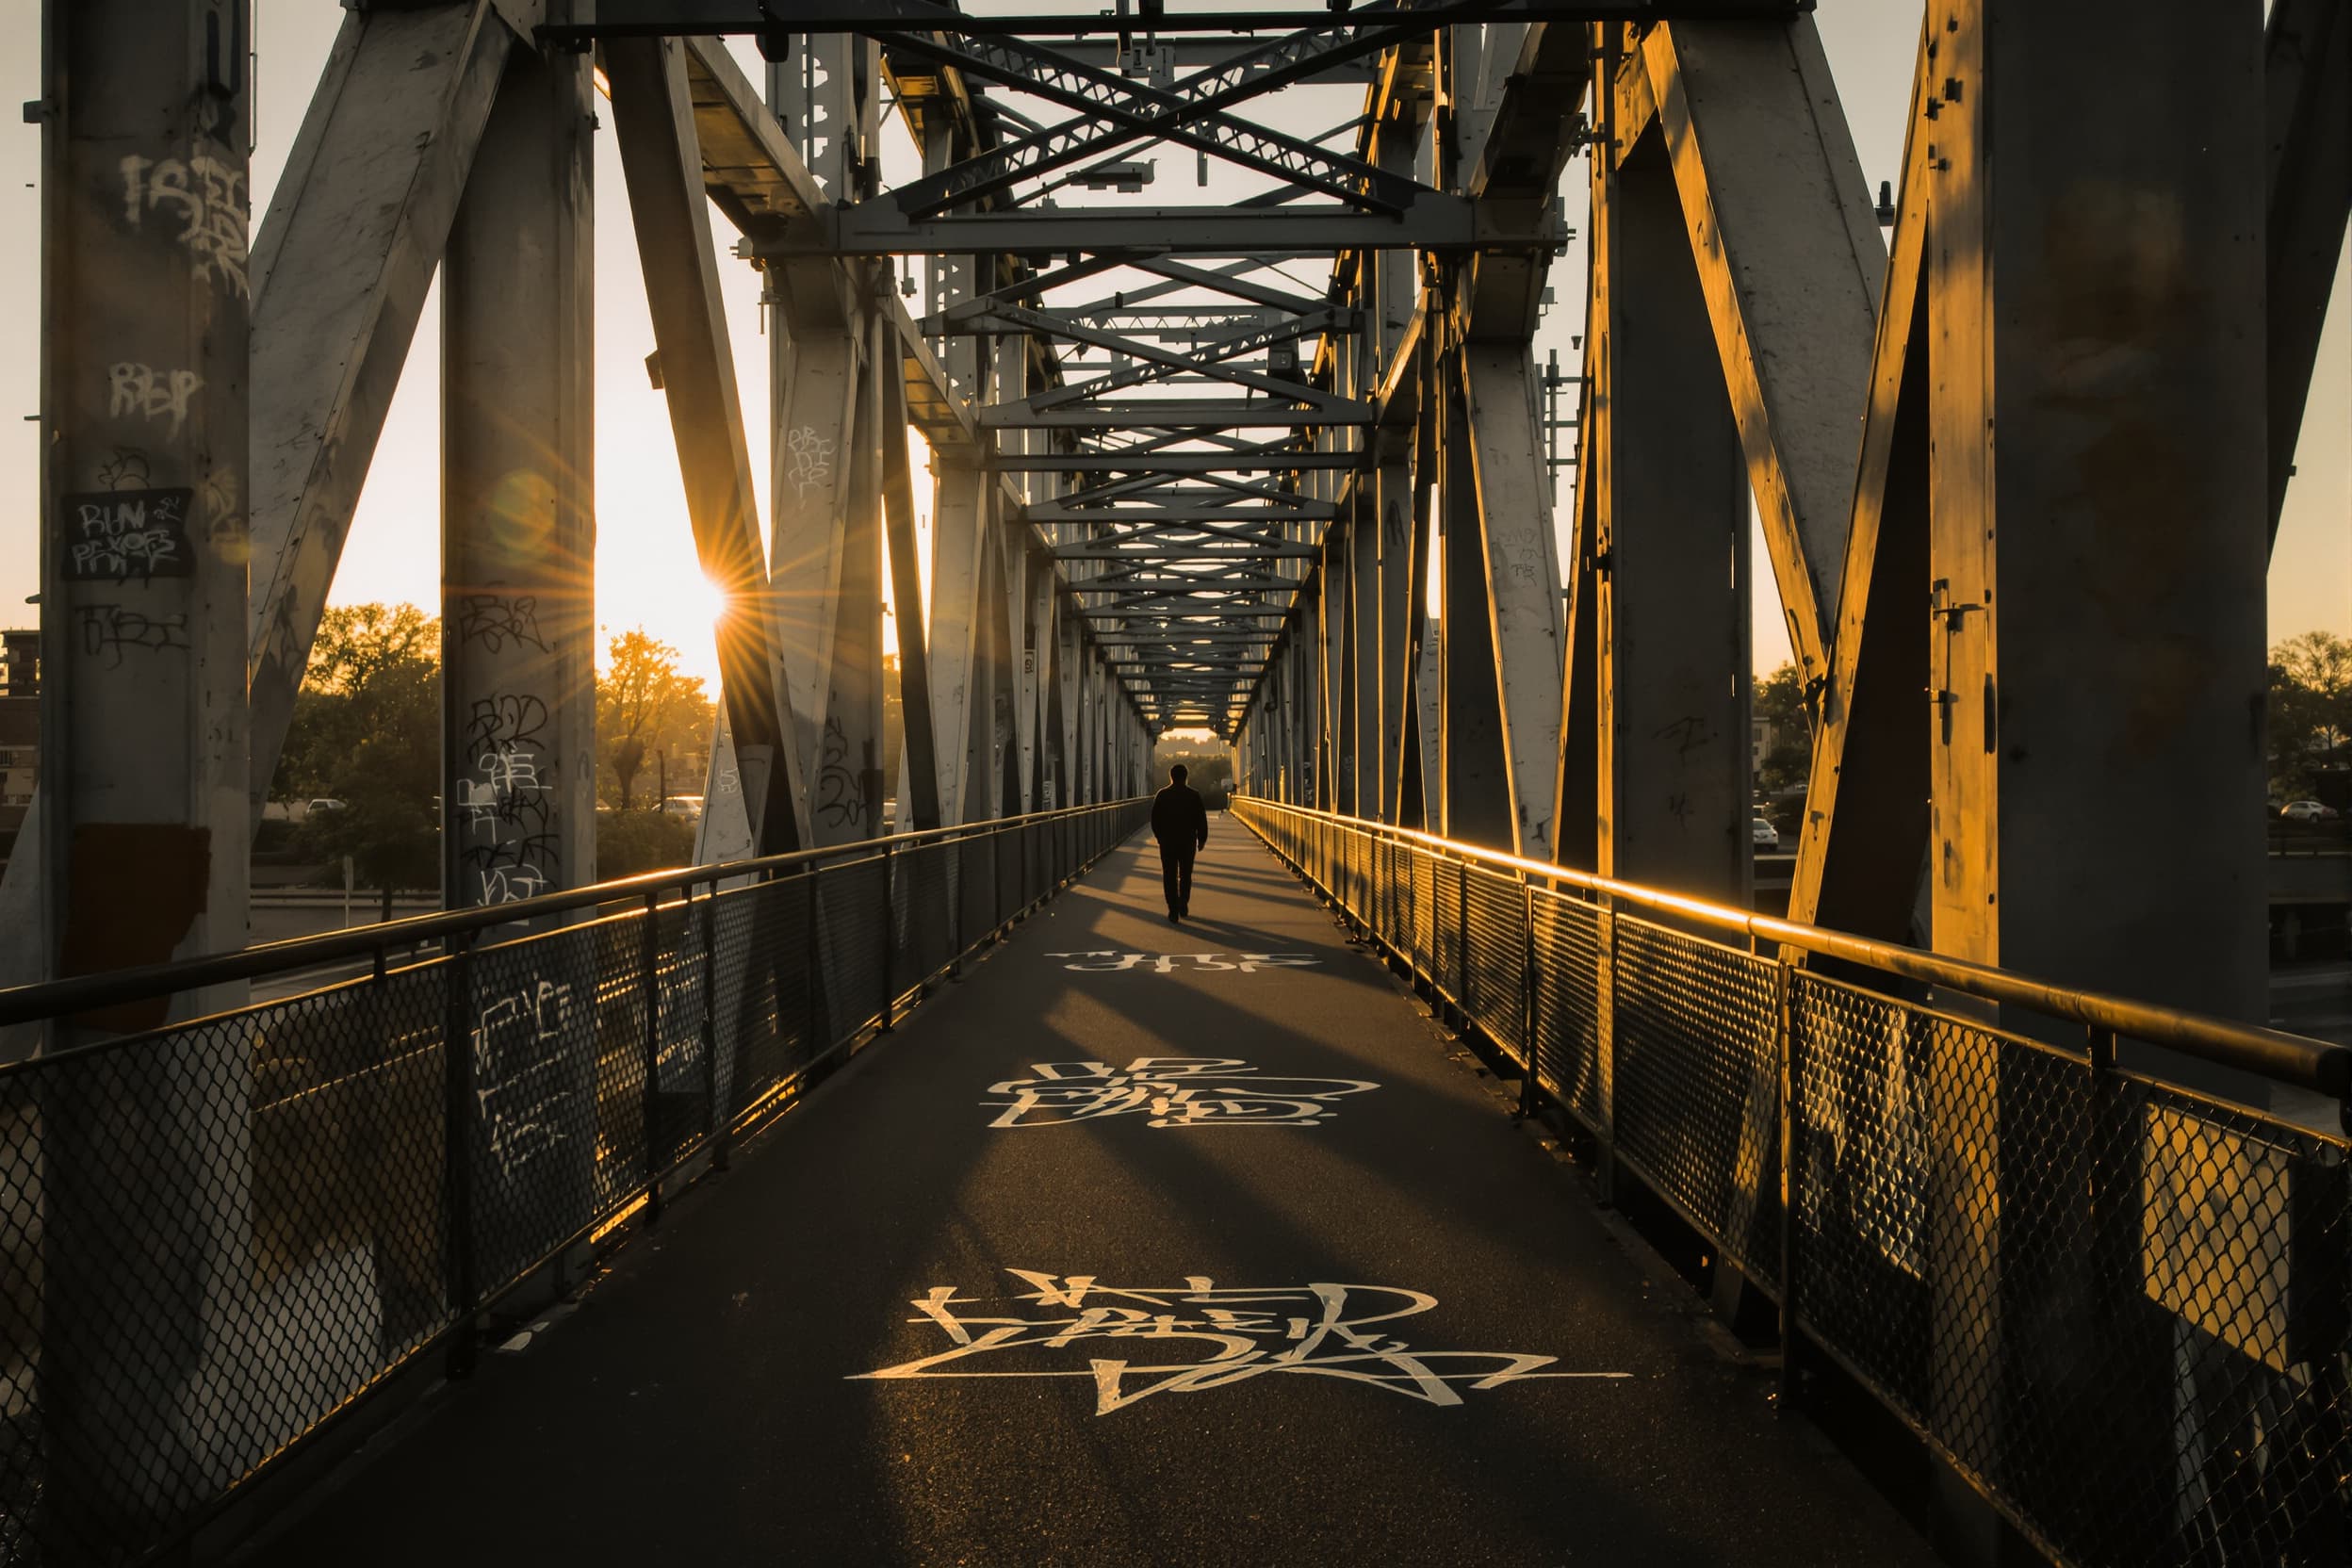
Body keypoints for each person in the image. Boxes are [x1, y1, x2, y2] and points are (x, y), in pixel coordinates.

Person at [1150, 763, 1210, 923]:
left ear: (1171, 776)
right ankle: (1183, 903)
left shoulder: (1162, 795)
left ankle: (1172, 910)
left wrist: (1160, 837)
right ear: (1186, 776)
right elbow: (1201, 819)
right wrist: (1202, 839)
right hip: (1187, 842)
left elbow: (1155, 820)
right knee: (1185, 874)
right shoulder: (1194, 795)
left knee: (1169, 875)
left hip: (1168, 842)